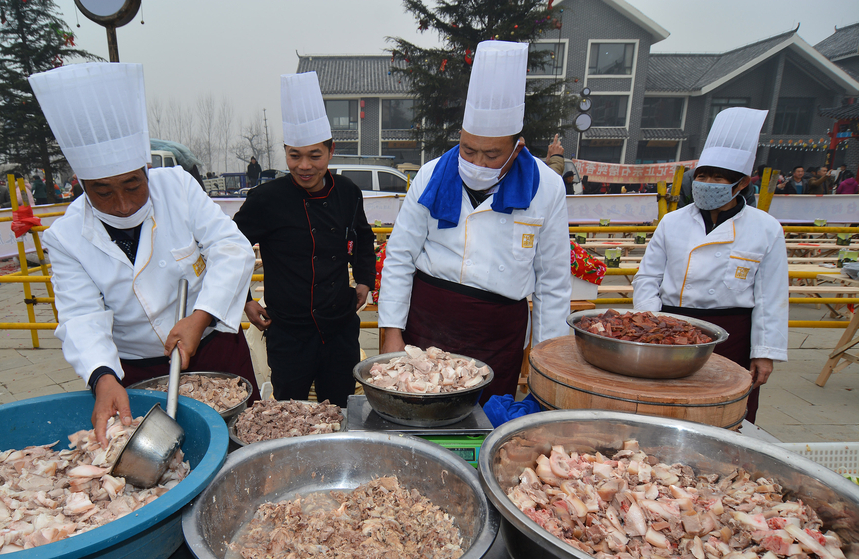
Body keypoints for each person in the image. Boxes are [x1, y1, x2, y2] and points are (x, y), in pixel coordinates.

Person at [30, 62, 257, 446]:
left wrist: (200, 317)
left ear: (146, 168)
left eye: (133, 185)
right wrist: (102, 376)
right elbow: (80, 315)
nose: (122, 204)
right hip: (138, 370)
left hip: (213, 350)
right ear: (81, 183)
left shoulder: (178, 187)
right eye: (102, 192)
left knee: (239, 444)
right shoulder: (66, 237)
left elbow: (232, 249)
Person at [377, 41, 571, 402]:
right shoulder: (431, 175)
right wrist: (392, 332)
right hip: (428, 322)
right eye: (468, 150)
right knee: (421, 416)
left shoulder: (547, 187)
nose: (477, 163)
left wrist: (549, 359)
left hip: (497, 334)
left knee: (486, 420)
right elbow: (400, 256)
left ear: (517, 147)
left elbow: (553, 282)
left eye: (492, 154)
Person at [633, 108, 788, 425]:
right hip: (671, 329)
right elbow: (647, 277)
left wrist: (764, 352)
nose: (707, 184)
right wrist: (650, 323)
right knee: (666, 409)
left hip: (733, 334)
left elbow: (772, 297)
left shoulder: (765, 228)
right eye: (702, 176)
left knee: (725, 413)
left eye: (717, 178)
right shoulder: (673, 222)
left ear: (741, 183)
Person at [233, 72, 376, 408]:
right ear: (285, 152)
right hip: (288, 333)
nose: (305, 166)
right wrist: (244, 301)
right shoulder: (266, 199)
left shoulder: (348, 192)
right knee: (288, 413)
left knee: (338, 409)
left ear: (331, 150)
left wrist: (365, 281)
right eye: (294, 156)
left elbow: (363, 237)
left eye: (315, 155)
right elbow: (229, 250)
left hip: (339, 328)